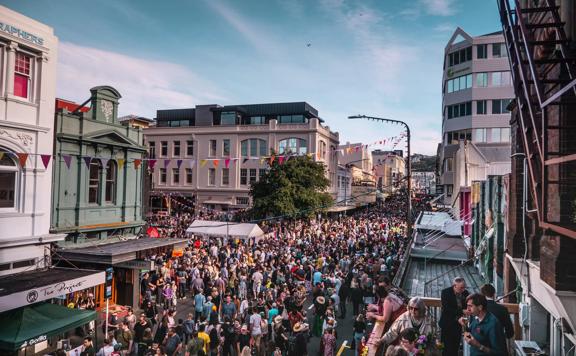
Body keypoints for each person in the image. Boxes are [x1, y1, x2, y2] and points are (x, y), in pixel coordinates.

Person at [480, 283, 514, 353]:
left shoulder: (477, 309)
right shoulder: (502, 309)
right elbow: (510, 333)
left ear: (482, 295)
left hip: (480, 346)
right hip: (498, 346)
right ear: (494, 294)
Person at [439, 277, 469, 356]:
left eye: (464, 287)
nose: (463, 290)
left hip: (458, 323)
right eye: (461, 288)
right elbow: (447, 309)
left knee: (455, 347)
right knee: (445, 348)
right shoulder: (445, 292)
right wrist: (462, 311)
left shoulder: (465, 293)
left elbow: (469, 303)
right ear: (454, 286)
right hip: (447, 323)